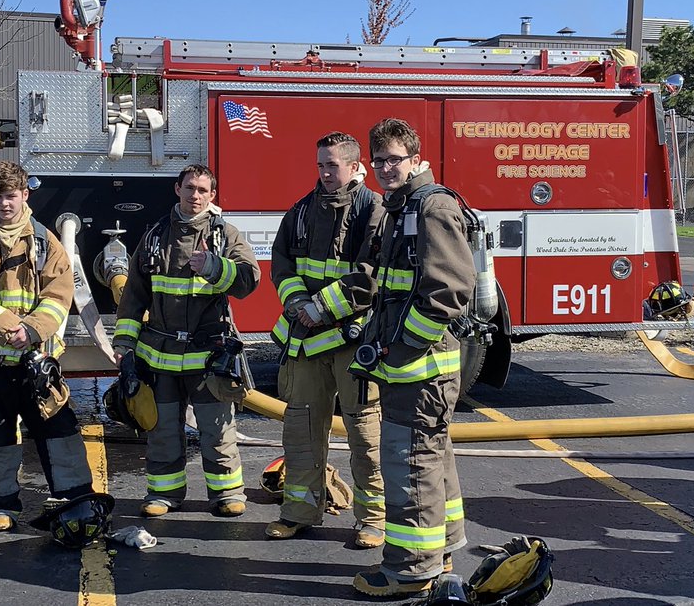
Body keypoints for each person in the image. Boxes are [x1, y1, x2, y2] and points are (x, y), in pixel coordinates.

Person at [347, 118, 475, 597]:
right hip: (415, 367)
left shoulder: (431, 206)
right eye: (378, 161)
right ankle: (439, 549)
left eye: (394, 159)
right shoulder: (399, 207)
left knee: (410, 463)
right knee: (431, 456)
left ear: (416, 159)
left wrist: (400, 351)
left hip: (422, 368)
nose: (384, 168)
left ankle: (410, 571)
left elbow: (449, 291)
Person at [0, 161, 94, 533]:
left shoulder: (46, 241)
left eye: (12, 196)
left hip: (37, 361)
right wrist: (10, 329)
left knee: (60, 431)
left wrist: (30, 331)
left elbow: (58, 295)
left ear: (25, 194)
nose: (5, 204)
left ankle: (76, 500)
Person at [112, 164, 260, 518]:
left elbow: (248, 280)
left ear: (212, 196)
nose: (195, 196)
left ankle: (226, 494)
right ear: (177, 189)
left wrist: (214, 267)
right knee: (162, 430)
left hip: (208, 357)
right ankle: (164, 494)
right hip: (159, 356)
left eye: (203, 190)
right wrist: (124, 345)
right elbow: (133, 296)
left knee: (217, 429)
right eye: (190, 188)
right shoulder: (154, 238)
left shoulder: (225, 235)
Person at [265, 132, 386, 547]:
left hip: (353, 344)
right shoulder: (301, 211)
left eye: (333, 165)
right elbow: (280, 263)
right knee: (300, 432)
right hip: (306, 343)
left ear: (355, 167)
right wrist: (297, 299)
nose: (325, 173)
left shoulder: (375, 211)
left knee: (364, 435)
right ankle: (299, 512)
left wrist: (320, 307)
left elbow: (371, 274)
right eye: (320, 165)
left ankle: (372, 519)